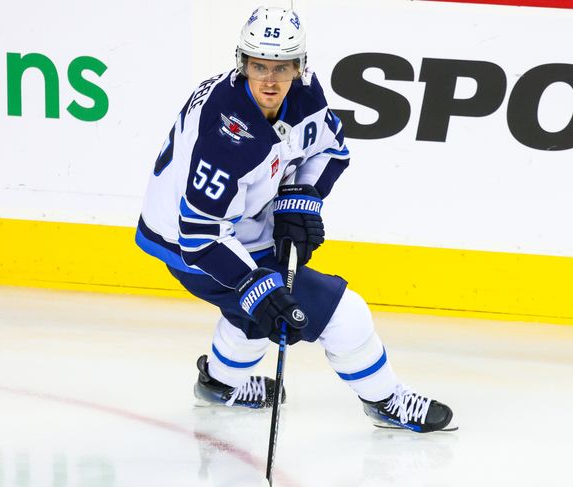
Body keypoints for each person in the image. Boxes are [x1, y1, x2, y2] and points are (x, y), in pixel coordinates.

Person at [135, 6, 455, 432]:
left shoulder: (304, 95)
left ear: (300, 66)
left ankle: (218, 382)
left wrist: (300, 198)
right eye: (259, 66)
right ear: (241, 63)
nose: (270, 79)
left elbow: (332, 149)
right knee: (343, 313)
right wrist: (254, 285)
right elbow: (199, 235)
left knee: (254, 313)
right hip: (187, 242)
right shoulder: (228, 137)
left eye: (282, 66)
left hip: (238, 221)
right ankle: (385, 400)